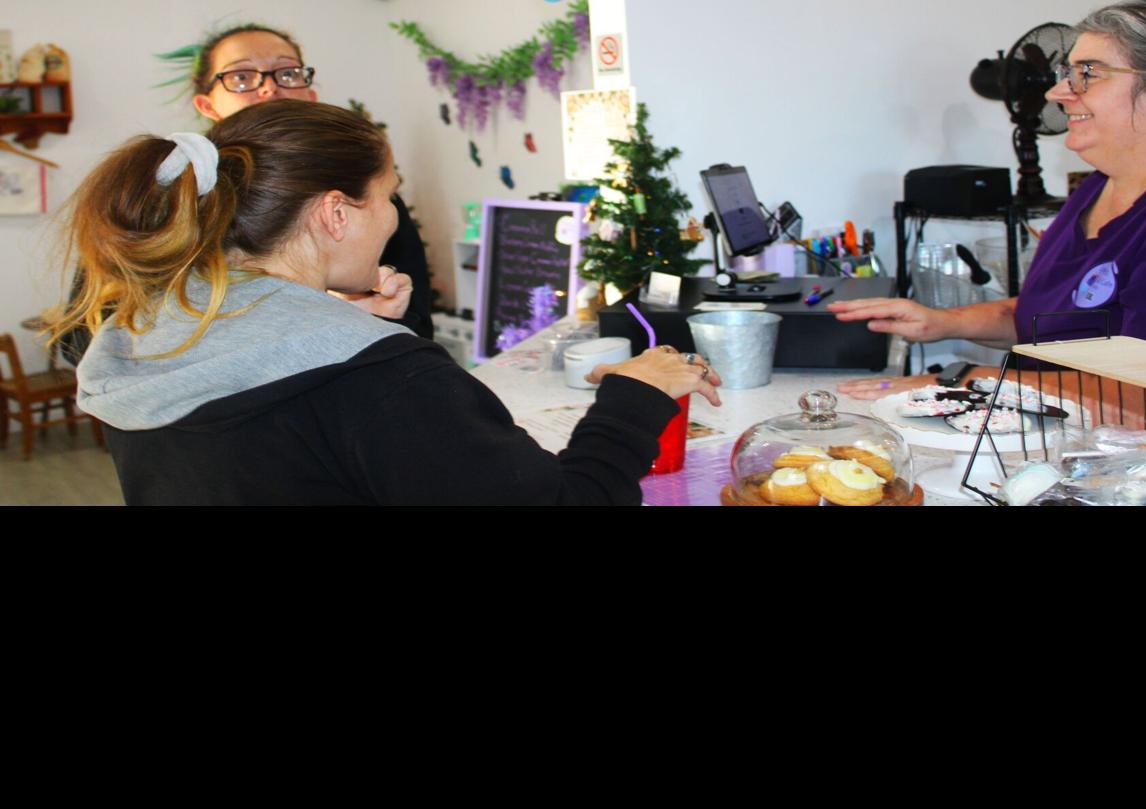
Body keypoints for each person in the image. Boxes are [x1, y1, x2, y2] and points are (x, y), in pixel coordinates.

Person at [50, 100, 721, 505]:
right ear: (336, 214)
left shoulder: (145, 343)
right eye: (388, 194)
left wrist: (340, 327)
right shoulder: (377, 379)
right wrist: (635, 397)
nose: (393, 218)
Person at [834, 1, 1146, 410]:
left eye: (1088, 75)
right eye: (1067, 73)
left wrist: (963, 380)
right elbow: (1047, 319)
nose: (1057, 92)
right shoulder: (1097, 187)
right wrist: (939, 322)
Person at [189, 24, 435, 339]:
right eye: (241, 77)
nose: (269, 88)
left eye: (287, 73)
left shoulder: (370, 193)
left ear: (311, 95)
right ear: (207, 105)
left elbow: (415, 316)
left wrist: (371, 317)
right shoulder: (190, 202)